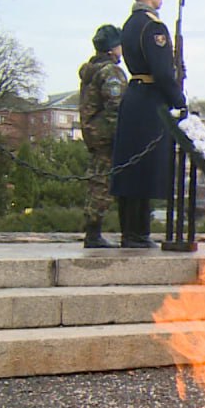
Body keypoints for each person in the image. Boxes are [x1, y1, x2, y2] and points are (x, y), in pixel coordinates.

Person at [111, 0, 187, 248]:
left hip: (134, 97)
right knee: (143, 168)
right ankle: (138, 233)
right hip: (151, 102)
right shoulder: (153, 26)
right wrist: (179, 100)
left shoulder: (130, 24)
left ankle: (129, 231)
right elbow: (163, 72)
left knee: (130, 169)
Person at [78, 24, 127, 248]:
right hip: (107, 135)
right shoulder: (110, 72)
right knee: (102, 183)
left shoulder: (91, 71)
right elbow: (116, 105)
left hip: (93, 133)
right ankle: (94, 233)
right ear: (111, 49)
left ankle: (92, 229)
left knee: (96, 179)